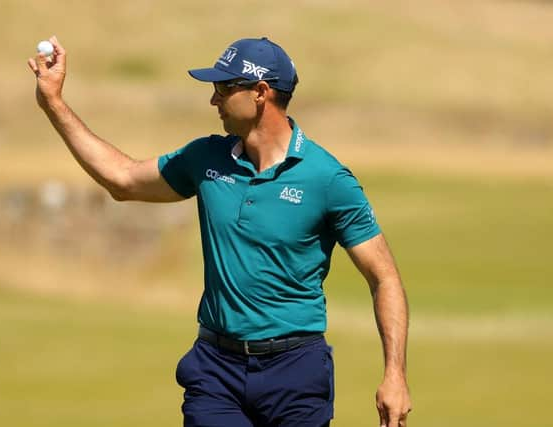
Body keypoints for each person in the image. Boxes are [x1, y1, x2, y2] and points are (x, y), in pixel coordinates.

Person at [28, 35, 411, 427]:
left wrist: (394, 374)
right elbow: (122, 180)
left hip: (295, 371)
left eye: (224, 88)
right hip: (216, 371)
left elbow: (384, 277)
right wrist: (54, 103)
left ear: (261, 93)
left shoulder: (327, 179)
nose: (214, 100)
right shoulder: (206, 158)